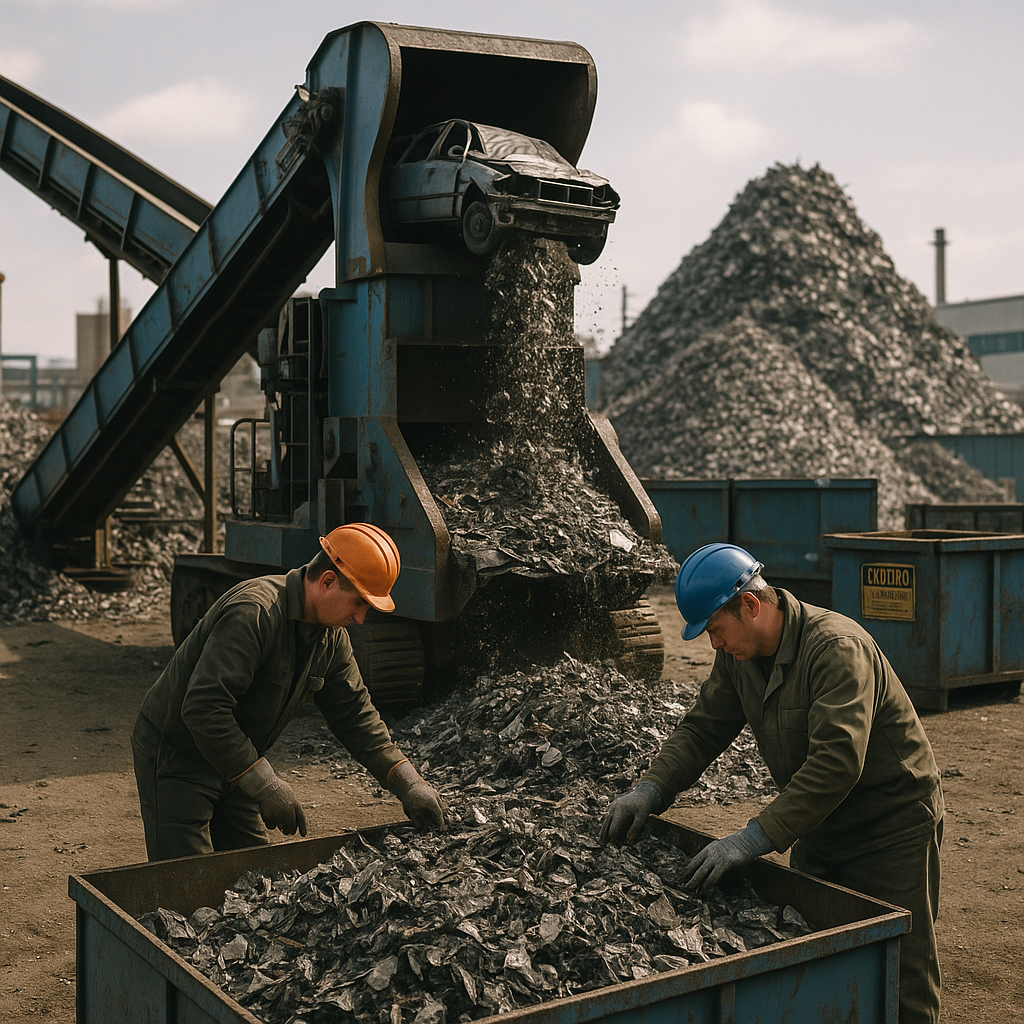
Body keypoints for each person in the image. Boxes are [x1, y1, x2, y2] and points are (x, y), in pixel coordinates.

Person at [600, 542, 943, 1024]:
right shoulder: (740, 657)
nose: (713, 645)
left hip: (890, 829)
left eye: (715, 631)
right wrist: (650, 790)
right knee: (829, 963)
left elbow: (837, 763)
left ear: (751, 605)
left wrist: (752, 838)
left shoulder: (835, 649)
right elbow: (703, 728)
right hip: (819, 825)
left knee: (900, 973)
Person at [132, 522, 445, 861]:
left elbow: (356, 717)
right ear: (326, 581)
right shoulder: (255, 612)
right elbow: (204, 709)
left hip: (238, 758)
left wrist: (408, 783)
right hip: (179, 755)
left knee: (254, 875)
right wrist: (265, 784)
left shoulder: (330, 638)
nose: (360, 619)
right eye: (358, 602)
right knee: (184, 881)